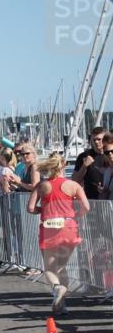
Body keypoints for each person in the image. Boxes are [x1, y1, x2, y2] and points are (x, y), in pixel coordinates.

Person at [27, 153, 90, 314]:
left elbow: (31, 208)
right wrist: (75, 215)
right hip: (68, 227)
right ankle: (61, 306)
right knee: (61, 267)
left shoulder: (42, 186)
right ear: (63, 165)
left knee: (49, 268)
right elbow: (86, 207)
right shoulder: (73, 185)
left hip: (49, 228)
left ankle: (57, 288)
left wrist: (43, 209)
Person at [71, 126, 106, 203]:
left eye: (99, 139)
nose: (96, 142)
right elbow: (75, 181)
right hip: (91, 201)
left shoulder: (110, 155)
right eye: (94, 140)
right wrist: (84, 166)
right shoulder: (84, 156)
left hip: (109, 199)